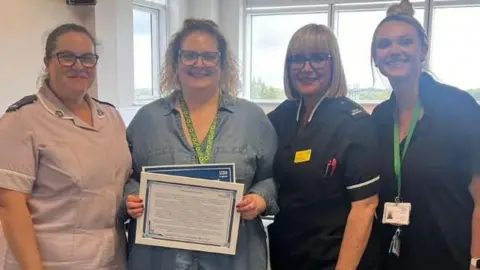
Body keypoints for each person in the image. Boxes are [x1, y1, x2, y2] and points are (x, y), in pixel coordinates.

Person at [123, 19, 277, 270]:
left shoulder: (252, 119)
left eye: (209, 56)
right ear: (175, 62)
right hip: (162, 258)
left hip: (234, 258)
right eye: (189, 55)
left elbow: (273, 177)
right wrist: (130, 197)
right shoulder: (146, 120)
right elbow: (126, 175)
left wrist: (260, 199)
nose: (199, 64)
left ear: (222, 63)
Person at [0, 23, 131, 270]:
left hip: (111, 258)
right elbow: (10, 206)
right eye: (67, 57)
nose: (79, 66)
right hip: (50, 262)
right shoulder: (21, 120)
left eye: (87, 58)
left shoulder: (111, 117)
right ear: (48, 62)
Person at [370, 1, 480, 269]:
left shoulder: (459, 107)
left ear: (423, 50)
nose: (394, 50)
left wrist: (477, 261)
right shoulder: (379, 118)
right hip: (391, 258)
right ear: (375, 57)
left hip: (450, 258)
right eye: (384, 44)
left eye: (405, 42)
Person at [266, 23, 380, 270]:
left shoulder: (355, 124)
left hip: (334, 260)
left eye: (318, 58)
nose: (306, 68)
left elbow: (365, 208)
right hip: (286, 254)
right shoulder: (280, 118)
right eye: (298, 59)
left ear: (334, 64)